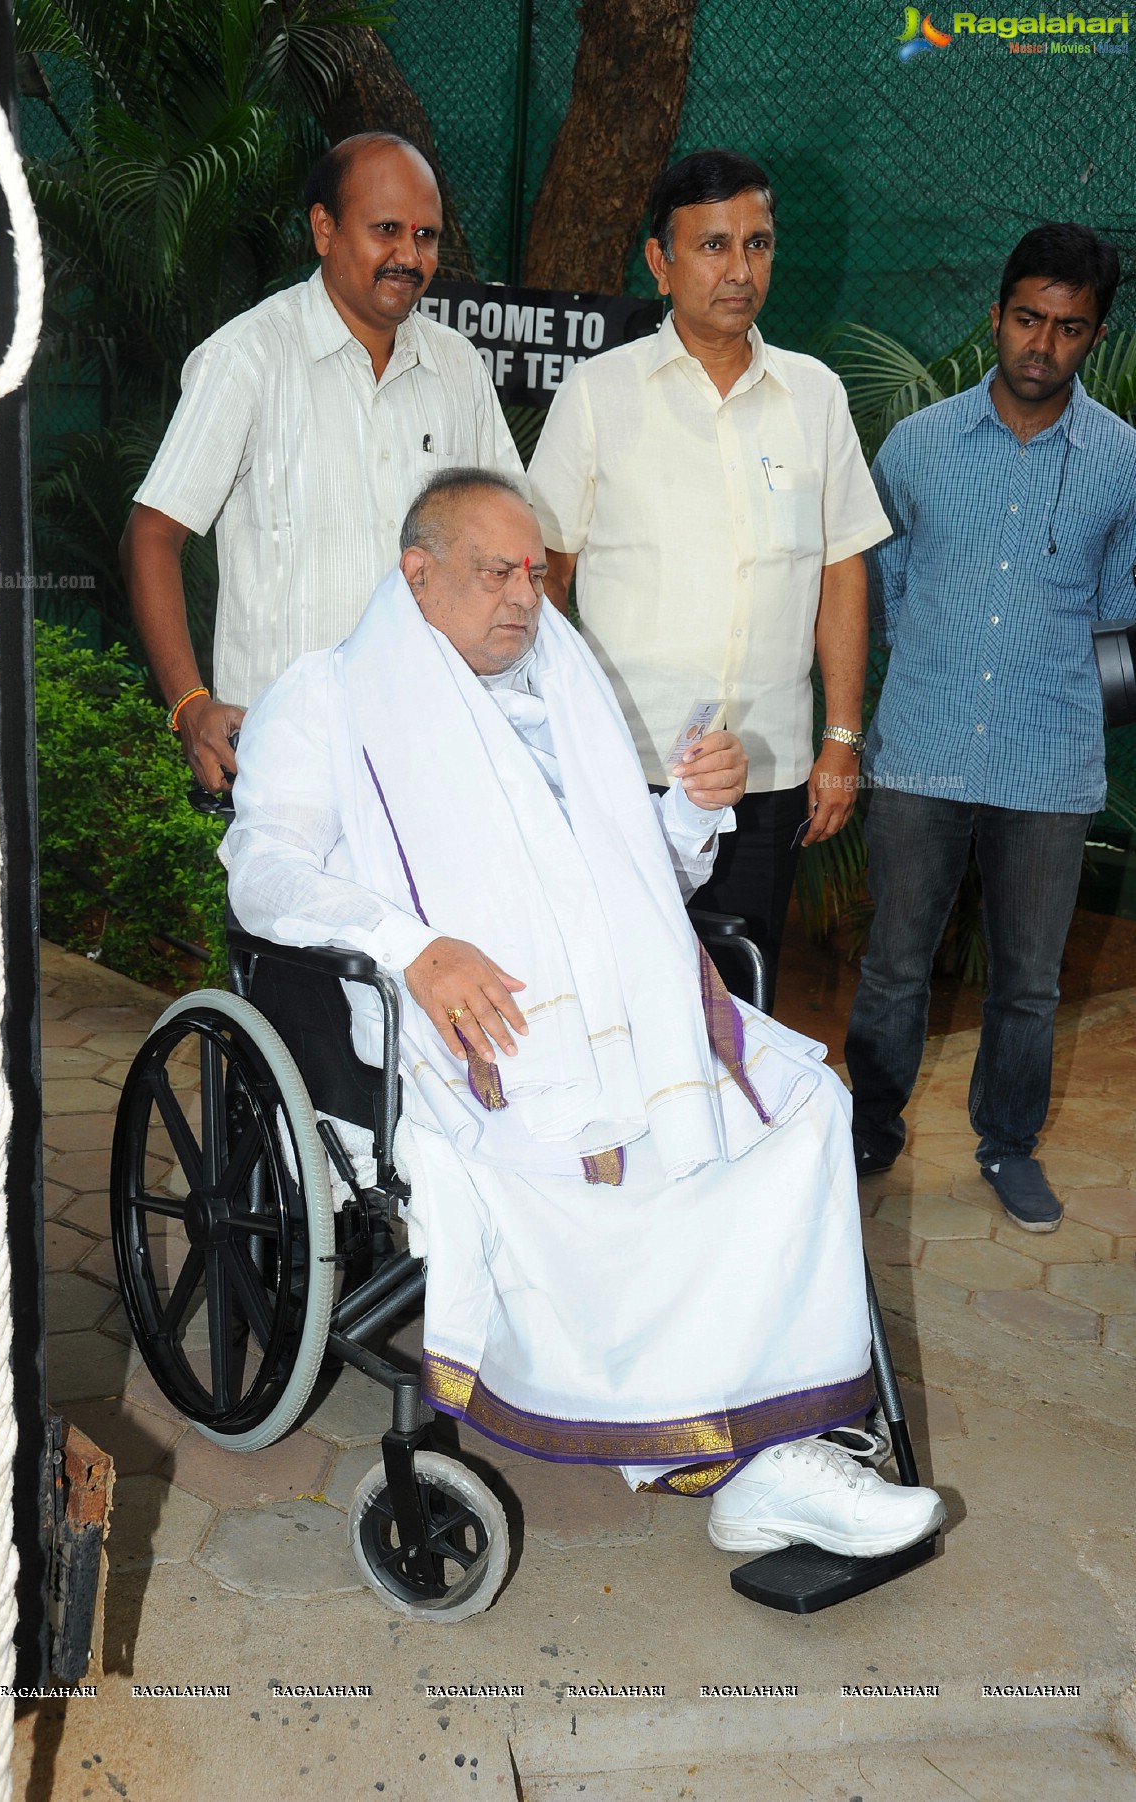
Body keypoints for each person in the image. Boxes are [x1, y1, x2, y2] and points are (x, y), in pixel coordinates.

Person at [222, 467, 945, 1558]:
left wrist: (692, 811)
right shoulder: (326, 696)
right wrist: (413, 946)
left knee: (797, 1116)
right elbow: (261, 871)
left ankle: (784, 1445)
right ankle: (737, 1458)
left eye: (534, 570)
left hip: (630, 1013)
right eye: (492, 571)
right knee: (628, 1164)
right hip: (471, 1039)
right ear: (416, 573)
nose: (521, 594)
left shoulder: (562, 682)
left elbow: (624, 879)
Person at [527, 149, 890, 1010]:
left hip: (766, 773)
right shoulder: (597, 395)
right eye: (714, 246)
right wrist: (555, 732)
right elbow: (544, 577)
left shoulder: (814, 396)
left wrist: (839, 741)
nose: (740, 270)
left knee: (739, 1000)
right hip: (627, 767)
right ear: (660, 262)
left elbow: (841, 567)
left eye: (758, 245)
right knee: (617, 997)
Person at [844, 223, 1136, 1233]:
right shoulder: (915, 447)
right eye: (1025, 318)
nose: (1039, 345)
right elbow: (873, 597)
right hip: (920, 754)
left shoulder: (1120, 461)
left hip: (1046, 775)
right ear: (996, 311)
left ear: (1093, 335)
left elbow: (1116, 622)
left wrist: (1080, 728)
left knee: (1026, 984)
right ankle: (867, 1127)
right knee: (892, 960)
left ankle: (1005, 1142)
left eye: (1066, 328)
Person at [120, 132, 526, 793]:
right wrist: (190, 705)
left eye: (426, 235)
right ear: (324, 229)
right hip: (289, 763)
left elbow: (507, 544)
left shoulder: (458, 369)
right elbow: (151, 534)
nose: (409, 256)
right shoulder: (247, 361)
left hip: (433, 759)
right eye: (386, 230)